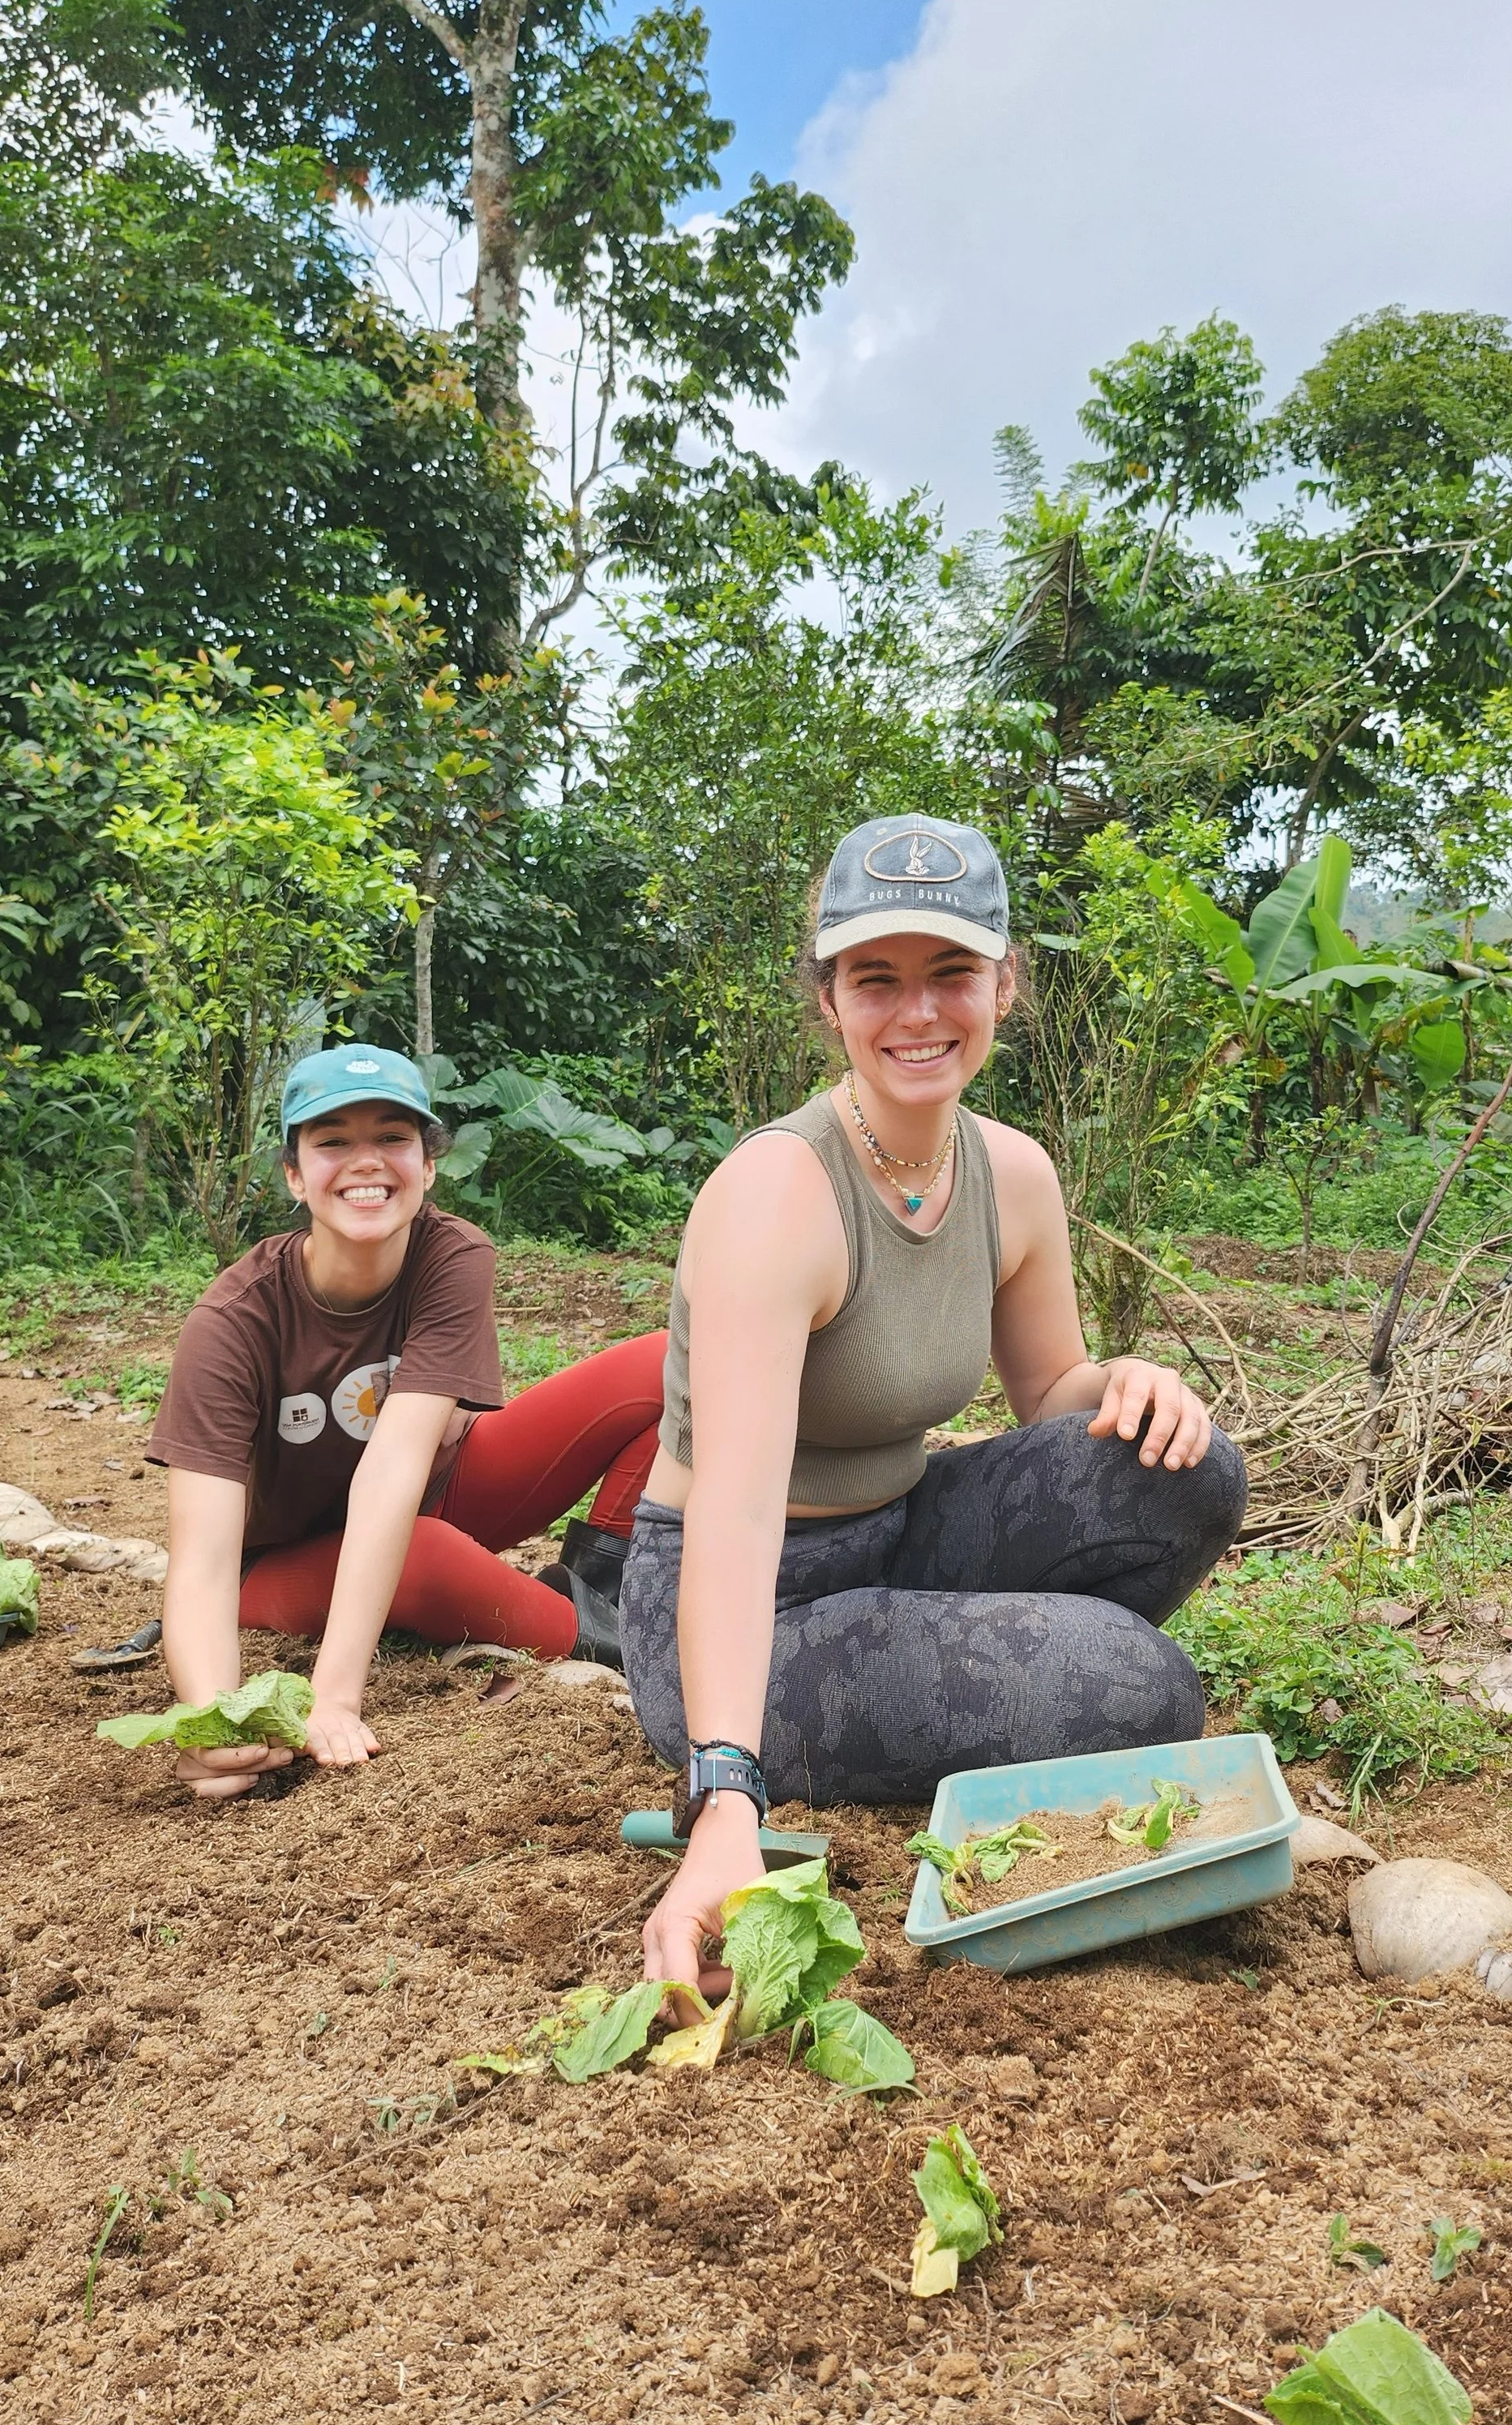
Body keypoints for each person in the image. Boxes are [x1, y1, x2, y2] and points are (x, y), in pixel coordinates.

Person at [629, 815, 1248, 1992]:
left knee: (1191, 1470)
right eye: (878, 979)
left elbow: (1054, 1398)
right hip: (744, 1608)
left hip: (899, 1534)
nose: (919, 1013)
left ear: (1005, 983)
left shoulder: (1011, 1172)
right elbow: (738, 1512)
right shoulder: (778, 1194)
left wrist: (1131, 1381)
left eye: (951, 973)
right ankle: (1025, 1702)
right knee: (1145, 1689)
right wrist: (722, 1799)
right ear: (829, 1000)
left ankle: (995, 1697)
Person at [144, 1045, 664, 1802]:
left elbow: (397, 1469)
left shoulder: (451, 1254)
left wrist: (337, 1692)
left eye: (393, 1137)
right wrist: (219, 1719)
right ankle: (611, 1642)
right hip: (281, 1564)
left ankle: (614, 1590)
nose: (367, 1163)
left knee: (662, 1367)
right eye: (332, 1142)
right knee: (423, 1556)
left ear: (427, 1164)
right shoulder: (233, 1321)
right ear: (293, 1172)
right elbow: (204, 1562)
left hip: (427, 1491)